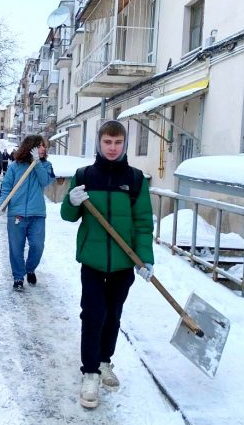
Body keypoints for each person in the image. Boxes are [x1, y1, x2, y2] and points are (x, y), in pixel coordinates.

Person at [60, 120, 154, 409]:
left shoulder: (136, 180)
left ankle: (104, 362)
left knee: (113, 314)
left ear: (124, 144)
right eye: (107, 142)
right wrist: (72, 200)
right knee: (93, 314)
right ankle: (90, 373)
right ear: (98, 144)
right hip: (92, 260)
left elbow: (142, 223)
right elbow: (67, 216)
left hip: (124, 263)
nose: (112, 148)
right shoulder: (84, 175)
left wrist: (145, 257)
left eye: (117, 143)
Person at [0, 135, 55, 291]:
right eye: (40, 146)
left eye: (44, 146)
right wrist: (0, 206)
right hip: (16, 213)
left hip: (37, 214)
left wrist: (36, 163)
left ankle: (30, 268)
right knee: (16, 247)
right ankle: (18, 277)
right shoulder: (15, 166)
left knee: (37, 246)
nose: (43, 149)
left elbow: (45, 182)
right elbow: (7, 187)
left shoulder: (46, 165)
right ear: (30, 147)